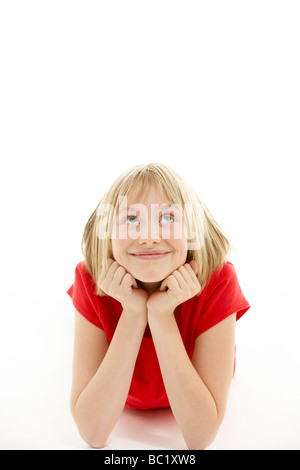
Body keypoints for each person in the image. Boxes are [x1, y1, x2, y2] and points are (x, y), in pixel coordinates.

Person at [67, 162, 250, 449]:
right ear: (108, 234)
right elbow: (93, 433)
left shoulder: (219, 280)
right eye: (130, 219)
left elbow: (200, 438)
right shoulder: (90, 278)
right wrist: (133, 312)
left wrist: (162, 315)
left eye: (167, 217)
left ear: (192, 231)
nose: (149, 236)